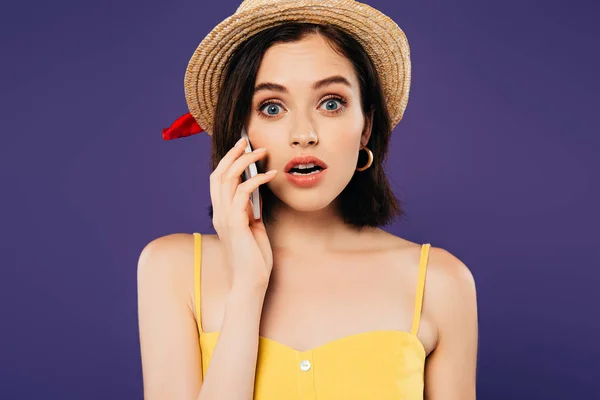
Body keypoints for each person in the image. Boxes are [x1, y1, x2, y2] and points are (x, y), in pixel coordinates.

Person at [137, 0, 478, 399]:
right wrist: (248, 286)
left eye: (331, 103)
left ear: (366, 126)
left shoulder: (441, 282)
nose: (304, 134)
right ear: (240, 132)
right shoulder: (172, 270)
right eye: (272, 107)